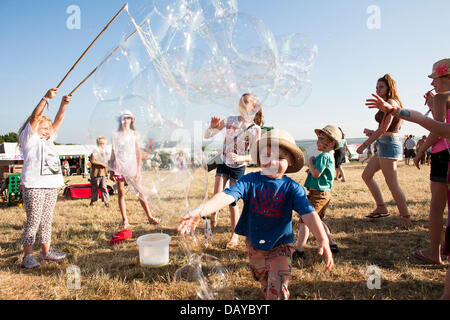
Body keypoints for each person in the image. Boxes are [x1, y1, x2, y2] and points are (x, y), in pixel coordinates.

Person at [177, 129, 333, 300]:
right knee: (263, 277)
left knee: (278, 281)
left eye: (279, 157)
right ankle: (268, 288)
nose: (272, 161)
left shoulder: (292, 188)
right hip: (254, 243)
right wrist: (201, 210)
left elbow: (309, 214)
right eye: (267, 155)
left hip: (281, 245)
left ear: (290, 161)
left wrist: (322, 238)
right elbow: (226, 196)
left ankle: (275, 293)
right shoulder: (249, 180)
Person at [366, 58, 450, 264]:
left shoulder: (441, 97)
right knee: (369, 175)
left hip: (441, 154)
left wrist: (421, 148)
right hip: (407, 146)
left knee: (436, 206)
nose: (432, 83)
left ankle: (431, 249)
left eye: (435, 79)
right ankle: (385, 209)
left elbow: (437, 128)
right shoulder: (437, 99)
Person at [17, 88, 71, 269]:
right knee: (33, 221)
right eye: (44, 128)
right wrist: (46, 99)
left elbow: (58, 121)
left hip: (50, 186)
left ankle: (46, 252)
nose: (48, 131)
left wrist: (63, 105)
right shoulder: (29, 139)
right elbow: (34, 118)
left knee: (47, 220)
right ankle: (27, 257)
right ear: (35, 128)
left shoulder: (48, 140)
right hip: (34, 186)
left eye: (48, 129)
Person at [204, 93, 263, 248]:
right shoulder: (230, 120)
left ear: (253, 107)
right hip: (224, 161)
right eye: (241, 102)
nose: (243, 104)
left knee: (232, 202)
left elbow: (255, 155)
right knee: (217, 194)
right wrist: (212, 127)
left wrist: (241, 158)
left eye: (247, 102)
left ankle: (234, 236)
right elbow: (208, 135)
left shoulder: (255, 129)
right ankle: (214, 213)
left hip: (238, 166)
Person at [357, 74, 411, 228]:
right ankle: (381, 207)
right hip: (384, 143)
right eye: (376, 87)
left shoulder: (392, 103)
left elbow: (383, 129)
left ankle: (405, 217)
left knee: (392, 183)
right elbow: (385, 129)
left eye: (381, 87)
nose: (377, 90)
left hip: (389, 145)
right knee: (366, 175)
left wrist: (365, 144)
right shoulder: (388, 103)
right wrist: (371, 132)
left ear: (389, 88)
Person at [294, 125, 342, 261]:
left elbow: (316, 174)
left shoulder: (323, 156)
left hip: (318, 194)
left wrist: (310, 163)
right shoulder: (329, 156)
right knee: (318, 221)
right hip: (324, 194)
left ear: (331, 143)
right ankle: (332, 244)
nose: (318, 142)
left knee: (305, 221)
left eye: (322, 139)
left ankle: (299, 250)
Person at [109, 109, 160, 229]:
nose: (125, 120)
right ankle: (125, 220)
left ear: (132, 120)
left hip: (132, 165)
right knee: (121, 192)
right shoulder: (115, 135)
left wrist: (138, 170)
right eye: (123, 118)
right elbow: (113, 152)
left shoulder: (135, 134)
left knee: (140, 192)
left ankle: (150, 217)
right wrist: (111, 169)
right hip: (119, 166)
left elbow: (138, 153)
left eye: (128, 118)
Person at [89, 137, 111, 207]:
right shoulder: (95, 152)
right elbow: (92, 161)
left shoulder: (105, 152)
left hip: (103, 173)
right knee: (95, 187)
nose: (103, 145)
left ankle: (106, 202)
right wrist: (101, 163)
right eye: (101, 143)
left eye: (104, 144)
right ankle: (93, 201)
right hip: (96, 173)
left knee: (104, 187)